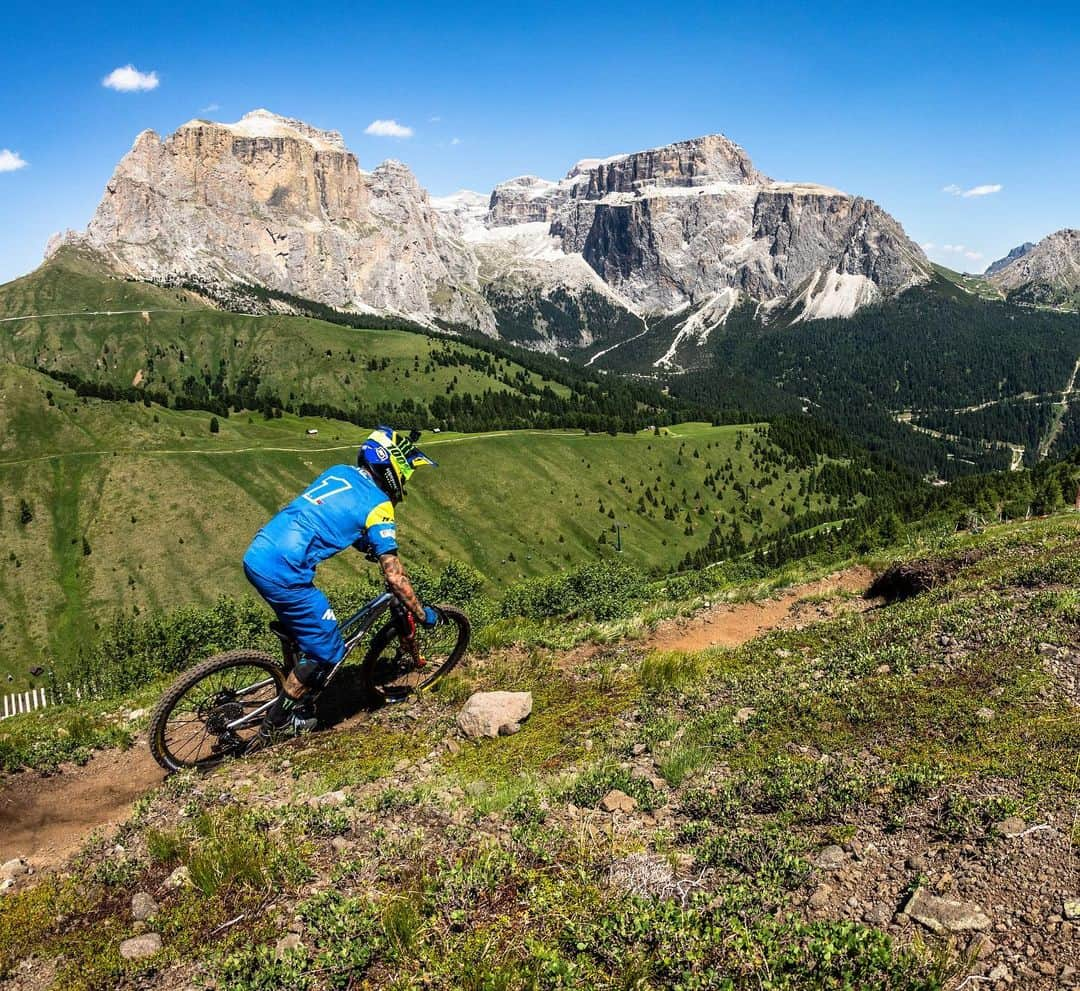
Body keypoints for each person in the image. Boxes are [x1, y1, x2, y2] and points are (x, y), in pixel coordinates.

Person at [242, 426, 438, 748]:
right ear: (394, 472)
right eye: (405, 476)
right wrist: (422, 612)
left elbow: (331, 513)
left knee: (305, 629)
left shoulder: (339, 471)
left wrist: (365, 542)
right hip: (285, 571)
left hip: (260, 551)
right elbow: (395, 578)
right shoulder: (380, 506)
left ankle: (300, 695)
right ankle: (275, 726)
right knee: (329, 649)